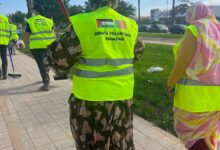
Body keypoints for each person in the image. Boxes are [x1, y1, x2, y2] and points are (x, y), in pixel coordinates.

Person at [45, 0, 144, 149]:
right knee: (120, 144)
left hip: (89, 103)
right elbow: (138, 53)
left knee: (90, 145)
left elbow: (59, 62)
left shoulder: (82, 23)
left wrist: (55, 46)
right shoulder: (129, 24)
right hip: (121, 100)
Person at [166, 3, 220, 150]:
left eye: (189, 15)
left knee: (189, 133)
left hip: (193, 99)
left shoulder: (196, 29)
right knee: (208, 133)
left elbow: (182, 62)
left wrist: (170, 83)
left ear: (194, 14)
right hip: (216, 98)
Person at [25, 4, 55, 91]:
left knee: (41, 65)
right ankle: (46, 77)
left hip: (37, 47)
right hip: (49, 45)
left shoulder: (31, 21)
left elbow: (27, 34)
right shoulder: (49, 21)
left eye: (33, 11)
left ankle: (46, 83)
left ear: (35, 11)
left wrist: (28, 41)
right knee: (46, 63)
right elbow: (53, 33)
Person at [0, 15, 10, 80]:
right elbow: (9, 30)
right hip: (4, 42)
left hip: (4, 41)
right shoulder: (5, 18)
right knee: (4, 58)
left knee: (4, 59)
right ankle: (4, 74)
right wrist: (8, 40)